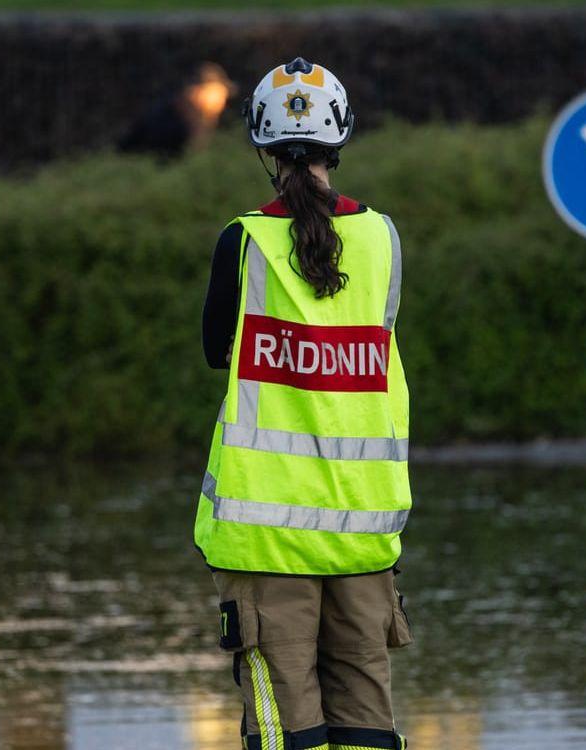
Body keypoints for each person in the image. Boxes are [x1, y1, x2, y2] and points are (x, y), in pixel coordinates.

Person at [195, 58, 413, 750]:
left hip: (265, 537)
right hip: (361, 533)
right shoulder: (382, 240)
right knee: (366, 730)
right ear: (338, 138)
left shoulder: (243, 242)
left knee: (287, 731)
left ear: (261, 144)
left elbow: (214, 352)